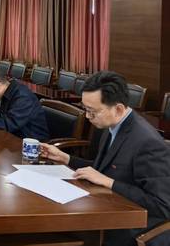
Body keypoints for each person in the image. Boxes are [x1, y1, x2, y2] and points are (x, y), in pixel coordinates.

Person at [40, 71, 170, 246]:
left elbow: (162, 205)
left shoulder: (147, 143)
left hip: (131, 225)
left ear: (118, 109)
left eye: (92, 111)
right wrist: (66, 159)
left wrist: (110, 182)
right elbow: (104, 168)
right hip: (106, 206)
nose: (87, 116)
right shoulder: (112, 124)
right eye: (86, 109)